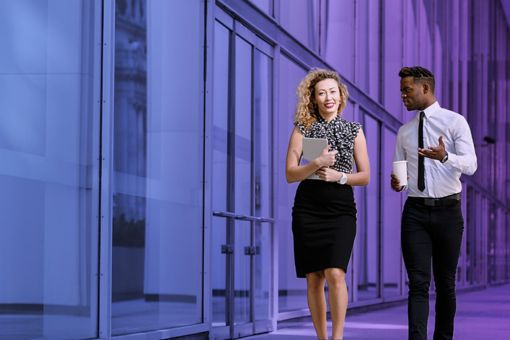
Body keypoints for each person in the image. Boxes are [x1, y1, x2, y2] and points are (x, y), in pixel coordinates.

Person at [391, 66, 477, 340]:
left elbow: (472, 165)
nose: (403, 95)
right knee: (417, 284)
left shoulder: (455, 122)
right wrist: (398, 183)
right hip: (415, 213)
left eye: (408, 89)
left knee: (445, 284)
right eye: (401, 90)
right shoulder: (404, 131)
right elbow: (401, 174)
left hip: (448, 212)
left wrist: (444, 157)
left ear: (425, 88)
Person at [286, 68, 370, 340]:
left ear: (341, 95)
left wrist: (340, 176)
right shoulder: (303, 128)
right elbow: (290, 174)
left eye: (333, 91)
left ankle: (338, 338)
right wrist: (316, 164)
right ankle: (322, 338)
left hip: (340, 209)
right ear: (314, 97)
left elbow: (365, 176)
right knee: (314, 278)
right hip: (308, 207)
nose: (328, 97)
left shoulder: (354, 130)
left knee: (335, 272)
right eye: (322, 93)